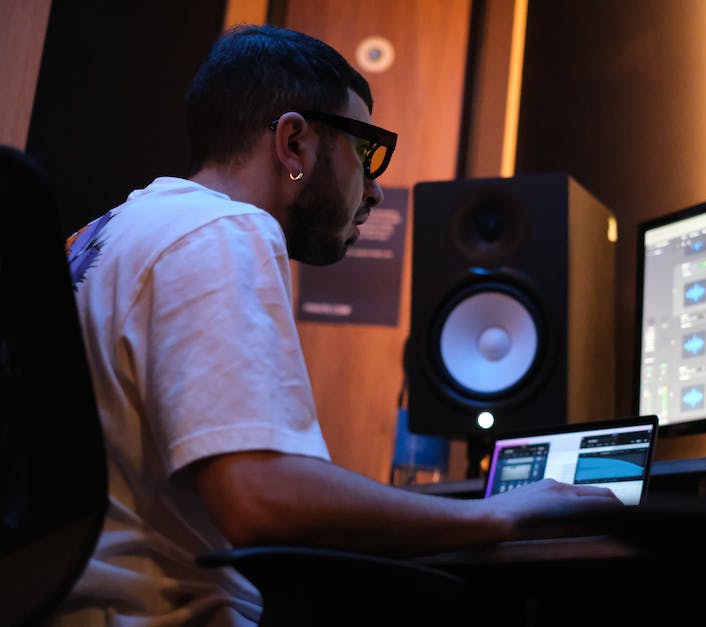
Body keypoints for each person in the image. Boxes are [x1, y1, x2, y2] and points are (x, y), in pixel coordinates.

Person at [52, 24, 622, 626]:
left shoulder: (109, 232)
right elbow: (260, 498)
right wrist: (495, 512)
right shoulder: (222, 230)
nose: (374, 191)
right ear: (294, 144)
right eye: (367, 151)